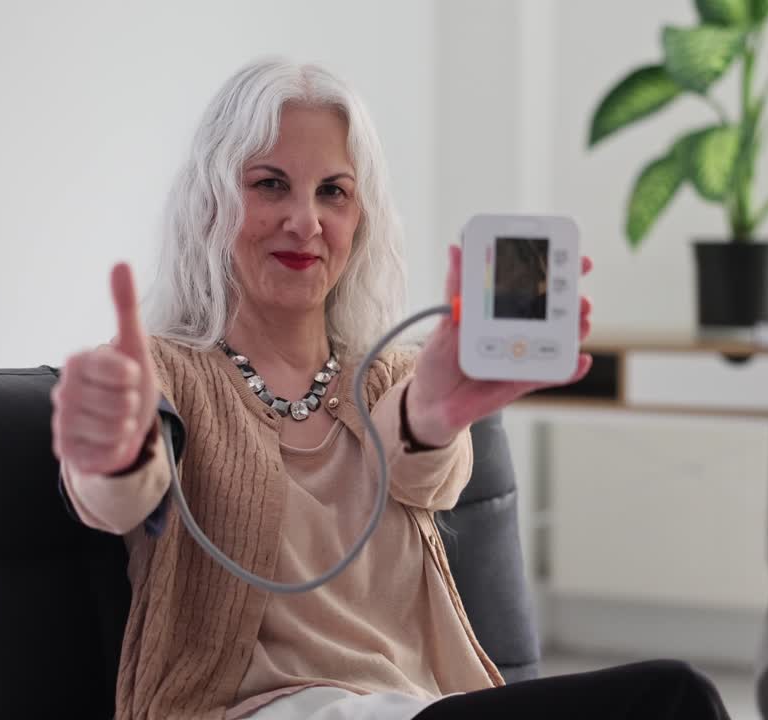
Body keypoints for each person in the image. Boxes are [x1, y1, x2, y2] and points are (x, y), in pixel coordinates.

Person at [50, 58, 731, 720]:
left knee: (676, 697)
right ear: (211, 203)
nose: (305, 222)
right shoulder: (159, 371)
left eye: (333, 192)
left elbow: (415, 457)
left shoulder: (389, 377)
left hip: (413, 708)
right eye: (270, 185)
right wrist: (114, 452)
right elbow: (119, 491)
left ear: (361, 219)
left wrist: (431, 414)